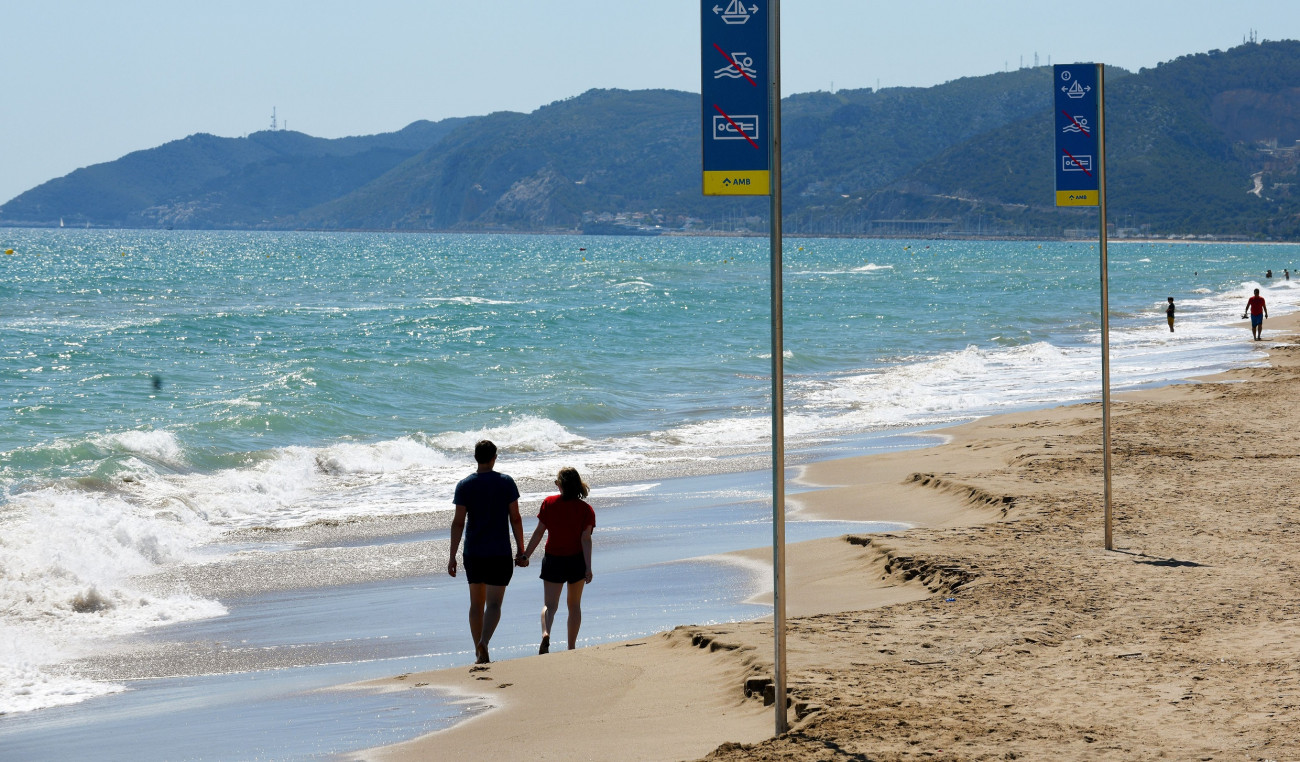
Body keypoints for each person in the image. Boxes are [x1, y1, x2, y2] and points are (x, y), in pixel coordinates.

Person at [448, 440, 527, 664]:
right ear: (494, 457)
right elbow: (516, 518)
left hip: (473, 552)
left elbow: (458, 523)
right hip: (499, 552)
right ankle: (485, 641)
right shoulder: (506, 482)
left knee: (476, 604)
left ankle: (478, 650)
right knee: (494, 604)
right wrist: (521, 549)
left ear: (476, 457)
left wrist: (452, 556)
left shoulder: (464, 485)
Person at [522, 466, 596, 654]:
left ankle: (546, 633)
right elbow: (585, 539)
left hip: (553, 559)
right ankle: (571, 647)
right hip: (576, 560)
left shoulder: (549, 503)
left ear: (560, 486)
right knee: (574, 605)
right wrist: (588, 567)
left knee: (550, 605)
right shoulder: (586, 509)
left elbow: (539, 532)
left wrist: (526, 555)